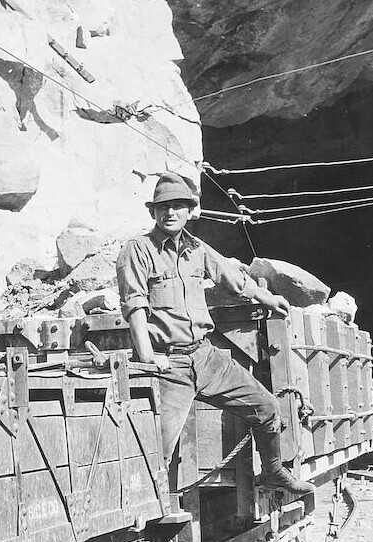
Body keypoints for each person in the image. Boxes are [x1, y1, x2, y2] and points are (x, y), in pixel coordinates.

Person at [115, 172, 314, 497]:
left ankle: (273, 472)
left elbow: (231, 276)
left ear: (190, 211)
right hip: (169, 367)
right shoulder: (137, 250)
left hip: (205, 357)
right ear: (152, 211)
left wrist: (265, 297)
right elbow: (134, 305)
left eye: (178, 206)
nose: (170, 213)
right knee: (155, 453)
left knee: (267, 407)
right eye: (163, 207)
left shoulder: (197, 249)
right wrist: (149, 357)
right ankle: (148, 516)